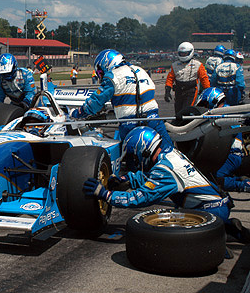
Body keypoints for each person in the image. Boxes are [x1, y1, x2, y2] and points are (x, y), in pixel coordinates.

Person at [83, 126, 250, 243]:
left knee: (163, 235)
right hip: (214, 204)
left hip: (209, 211)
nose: (135, 160)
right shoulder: (168, 155)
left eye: (135, 156)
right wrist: (125, 180)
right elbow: (150, 177)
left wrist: (106, 195)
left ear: (144, 150)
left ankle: (219, 236)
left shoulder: (165, 170)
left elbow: (141, 198)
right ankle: (226, 228)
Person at [71, 49, 171, 145]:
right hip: (154, 119)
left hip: (130, 124)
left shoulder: (113, 76)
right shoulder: (140, 70)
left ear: (107, 64)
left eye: (100, 72)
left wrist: (78, 113)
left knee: (132, 158)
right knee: (167, 150)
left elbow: (95, 103)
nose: (101, 75)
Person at [194, 87, 250, 192]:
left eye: (204, 105)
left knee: (214, 180)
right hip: (220, 155)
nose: (203, 108)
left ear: (213, 101)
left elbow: (229, 133)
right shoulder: (217, 113)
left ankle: (243, 185)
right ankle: (237, 179)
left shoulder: (229, 113)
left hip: (232, 155)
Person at [165, 41, 210, 114]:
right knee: (178, 111)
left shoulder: (198, 65)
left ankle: (187, 123)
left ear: (190, 52)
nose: (183, 55)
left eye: (185, 53)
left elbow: (204, 79)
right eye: (181, 53)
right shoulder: (175, 65)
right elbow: (170, 78)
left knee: (187, 110)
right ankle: (178, 124)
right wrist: (167, 90)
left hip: (191, 91)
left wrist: (207, 91)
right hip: (178, 90)